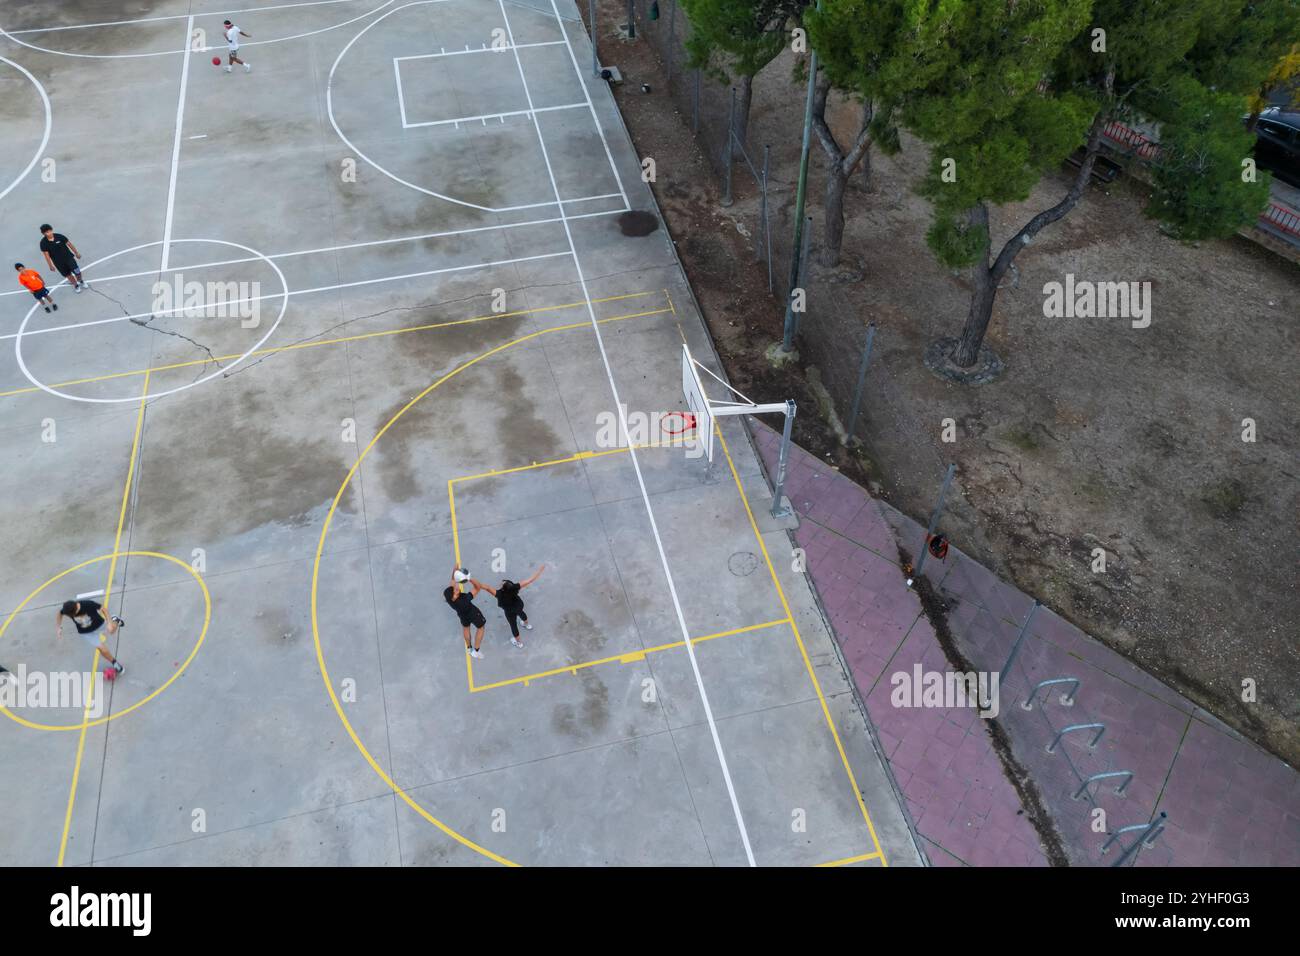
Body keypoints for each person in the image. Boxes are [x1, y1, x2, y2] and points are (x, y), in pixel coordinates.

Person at [473, 566, 544, 649]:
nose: (502, 582)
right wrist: (539, 571)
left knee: (513, 625)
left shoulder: (499, 594)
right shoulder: (515, 588)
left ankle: (519, 643)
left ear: (503, 589)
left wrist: (477, 584)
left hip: (510, 611)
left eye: (503, 583)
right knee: (521, 612)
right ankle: (527, 624)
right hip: (519, 605)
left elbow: (487, 588)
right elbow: (530, 580)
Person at [56, 599, 124, 675]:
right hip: (86, 633)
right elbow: (60, 613)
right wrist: (59, 627)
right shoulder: (67, 609)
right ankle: (114, 663)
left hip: (99, 625)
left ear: (75, 609)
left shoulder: (87, 604)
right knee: (102, 649)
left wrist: (109, 622)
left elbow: (103, 609)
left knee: (112, 630)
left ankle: (115, 620)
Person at [444, 566, 487, 658]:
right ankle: (476, 650)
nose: (457, 587)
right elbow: (478, 587)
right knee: (481, 627)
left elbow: (452, 581)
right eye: (456, 590)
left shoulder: (448, 596)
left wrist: (454, 571)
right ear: (455, 596)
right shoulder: (465, 599)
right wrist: (469, 578)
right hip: (472, 613)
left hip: (462, 615)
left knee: (466, 627)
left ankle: (469, 648)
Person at [39, 225, 87, 292]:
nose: (49, 233)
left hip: (69, 258)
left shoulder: (59, 236)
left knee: (77, 271)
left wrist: (76, 253)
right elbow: (46, 255)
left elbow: (69, 244)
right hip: (59, 263)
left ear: (52, 230)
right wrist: (50, 265)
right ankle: (76, 285)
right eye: (47, 232)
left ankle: (81, 281)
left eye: (50, 231)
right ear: (43, 233)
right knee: (68, 275)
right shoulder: (43, 243)